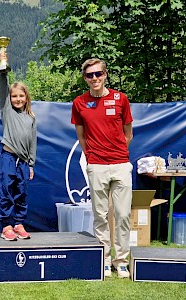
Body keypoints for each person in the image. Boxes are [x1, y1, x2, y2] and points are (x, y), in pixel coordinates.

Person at [71, 58, 133, 278]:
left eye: (98, 74)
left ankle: (122, 260)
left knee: (123, 214)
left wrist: (116, 153)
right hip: (96, 165)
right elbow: (81, 136)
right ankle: (105, 259)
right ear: (85, 79)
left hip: (120, 165)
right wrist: (93, 157)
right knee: (100, 215)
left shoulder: (120, 99)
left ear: (105, 74)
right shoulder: (79, 103)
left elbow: (129, 133)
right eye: (90, 75)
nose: (95, 78)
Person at [0, 51, 37, 241]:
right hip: (8, 157)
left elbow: (32, 141)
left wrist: (31, 164)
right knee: (7, 192)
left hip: (23, 162)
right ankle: (7, 226)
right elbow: (4, 87)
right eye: (14, 96)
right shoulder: (7, 111)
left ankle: (19, 224)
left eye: (21, 96)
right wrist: (3, 68)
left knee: (21, 193)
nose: (18, 99)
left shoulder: (30, 117)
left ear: (26, 97)